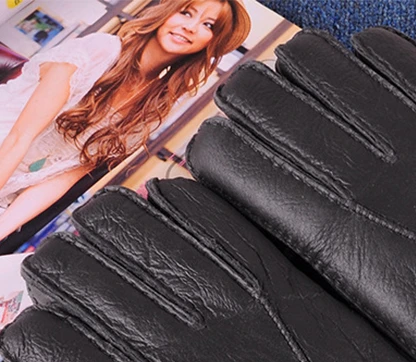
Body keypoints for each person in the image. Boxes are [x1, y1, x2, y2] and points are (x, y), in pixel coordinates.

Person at [0, 0, 251, 243]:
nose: (190, 27)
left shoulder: (153, 108)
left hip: (10, 192)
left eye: (208, 25)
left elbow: (62, 177)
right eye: (186, 12)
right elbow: (18, 138)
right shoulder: (101, 50)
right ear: (166, 10)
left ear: (212, 43)